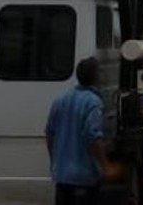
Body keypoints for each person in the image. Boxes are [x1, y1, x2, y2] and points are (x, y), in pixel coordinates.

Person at [46, 57, 111, 205]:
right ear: (95, 76)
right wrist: (106, 167)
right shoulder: (93, 102)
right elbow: (94, 137)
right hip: (84, 177)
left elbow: (50, 134)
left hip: (62, 177)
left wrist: (54, 161)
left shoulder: (60, 99)